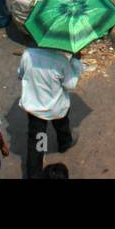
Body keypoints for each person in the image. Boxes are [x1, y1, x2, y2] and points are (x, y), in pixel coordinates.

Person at [18, 45, 83, 179]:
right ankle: (64, 144)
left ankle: (34, 174)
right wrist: (76, 62)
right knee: (62, 126)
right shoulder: (61, 61)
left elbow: (21, 74)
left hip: (35, 109)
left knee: (38, 142)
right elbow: (71, 84)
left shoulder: (28, 55)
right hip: (56, 107)